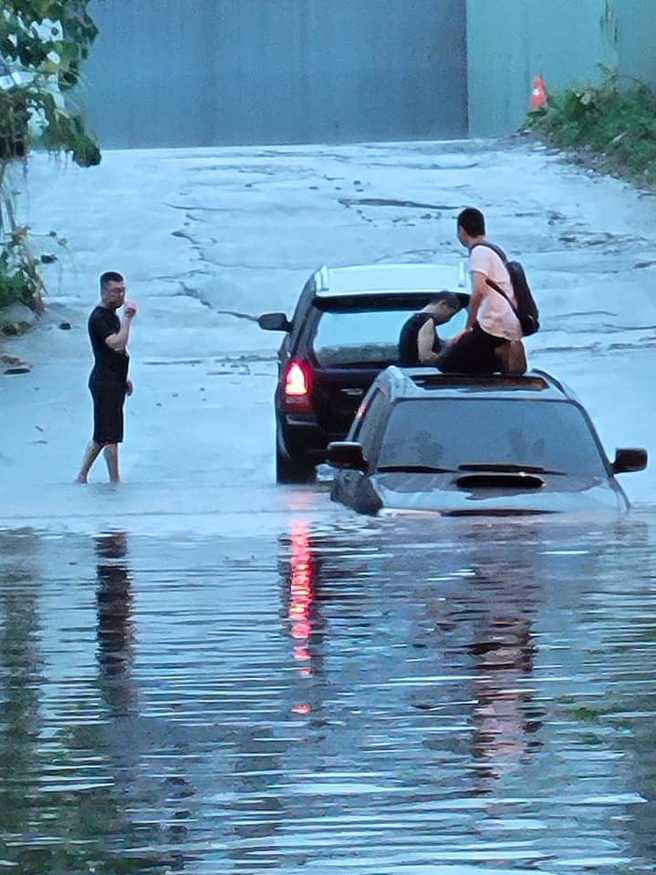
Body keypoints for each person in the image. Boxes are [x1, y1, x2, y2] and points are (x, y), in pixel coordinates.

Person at [438, 208, 527, 375]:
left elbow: (478, 291)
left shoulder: (479, 252)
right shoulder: (495, 251)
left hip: (493, 325)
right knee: (479, 368)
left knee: (447, 365)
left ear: (461, 230)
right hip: (505, 324)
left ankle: (498, 354)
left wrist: (468, 327)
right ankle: (497, 356)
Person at [76, 271, 138, 484]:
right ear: (104, 292)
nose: (121, 295)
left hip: (113, 379)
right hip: (105, 382)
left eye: (123, 291)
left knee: (102, 434)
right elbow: (117, 344)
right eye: (115, 291)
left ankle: (82, 475)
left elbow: (116, 354)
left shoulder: (111, 314)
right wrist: (128, 319)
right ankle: (115, 481)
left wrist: (124, 377)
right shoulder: (99, 317)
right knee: (110, 437)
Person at [398, 292, 469, 366]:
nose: (448, 320)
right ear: (443, 304)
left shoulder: (413, 321)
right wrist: (447, 358)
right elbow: (426, 357)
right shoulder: (427, 321)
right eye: (451, 314)